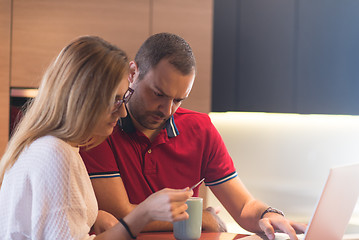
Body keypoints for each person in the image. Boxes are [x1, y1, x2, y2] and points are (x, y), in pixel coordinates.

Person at [80, 33, 307, 240]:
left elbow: (243, 206)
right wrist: (203, 219)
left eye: (178, 100)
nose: (167, 110)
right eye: (158, 94)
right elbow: (122, 214)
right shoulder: (103, 129)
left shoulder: (200, 129)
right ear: (133, 73)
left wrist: (268, 214)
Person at [0, 35, 193, 239]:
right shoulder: (57, 154)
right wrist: (145, 212)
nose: (123, 113)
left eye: (123, 98)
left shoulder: (45, 146)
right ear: (84, 98)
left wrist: (92, 217)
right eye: (116, 100)